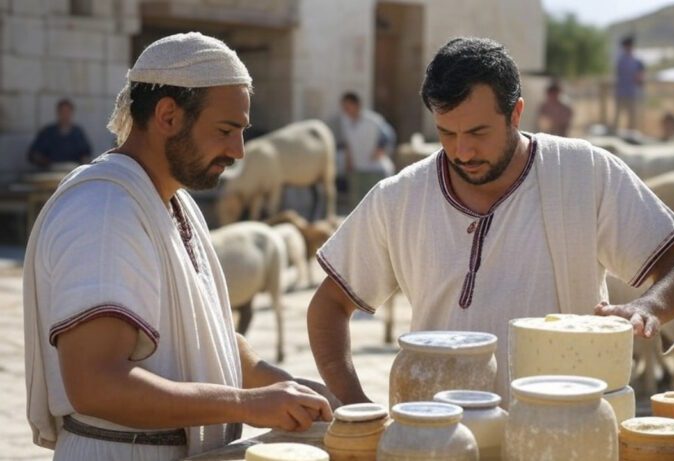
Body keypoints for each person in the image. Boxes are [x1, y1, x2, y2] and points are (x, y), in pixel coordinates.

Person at [307, 37, 674, 406]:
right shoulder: (399, 197)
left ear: (516, 112)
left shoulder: (582, 172)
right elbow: (329, 305)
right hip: (440, 437)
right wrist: (356, 406)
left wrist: (649, 306)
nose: (462, 151)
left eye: (478, 132)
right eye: (447, 133)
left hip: (561, 428)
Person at [23, 32, 333, 461]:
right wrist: (247, 405)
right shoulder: (105, 211)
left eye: (242, 133)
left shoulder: (170, 201)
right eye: (226, 131)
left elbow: (204, 337)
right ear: (168, 115)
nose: (238, 151)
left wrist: (282, 386)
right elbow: (95, 384)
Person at [337, 92, 395, 208]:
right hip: (357, 170)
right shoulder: (346, 123)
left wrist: (380, 149)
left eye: (348, 106)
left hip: (375, 170)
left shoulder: (373, 120)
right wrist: (349, 162)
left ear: (357, 105)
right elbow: (348, 144)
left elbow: (389, 135)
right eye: (344, 107)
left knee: (377, 206)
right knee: (358, 207)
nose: (346, 110)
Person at [27, 98, 92, 168]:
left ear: (72, 113)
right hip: (50, 173)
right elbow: (33, 154)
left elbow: (86, 154)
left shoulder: (78, 133)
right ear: (58, 112)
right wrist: (43, 161)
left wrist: (84, 161)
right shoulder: (48, 132)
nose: (65, 115)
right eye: (62, 112)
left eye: (67, 112)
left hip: (73, 172)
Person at [613, 35, 645, 131]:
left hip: (630, 92)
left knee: (631, 117)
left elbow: (639, 76)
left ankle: (630, 134)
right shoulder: (625, 60)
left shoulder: (634, 60)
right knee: (619, 116)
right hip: (623, 92)